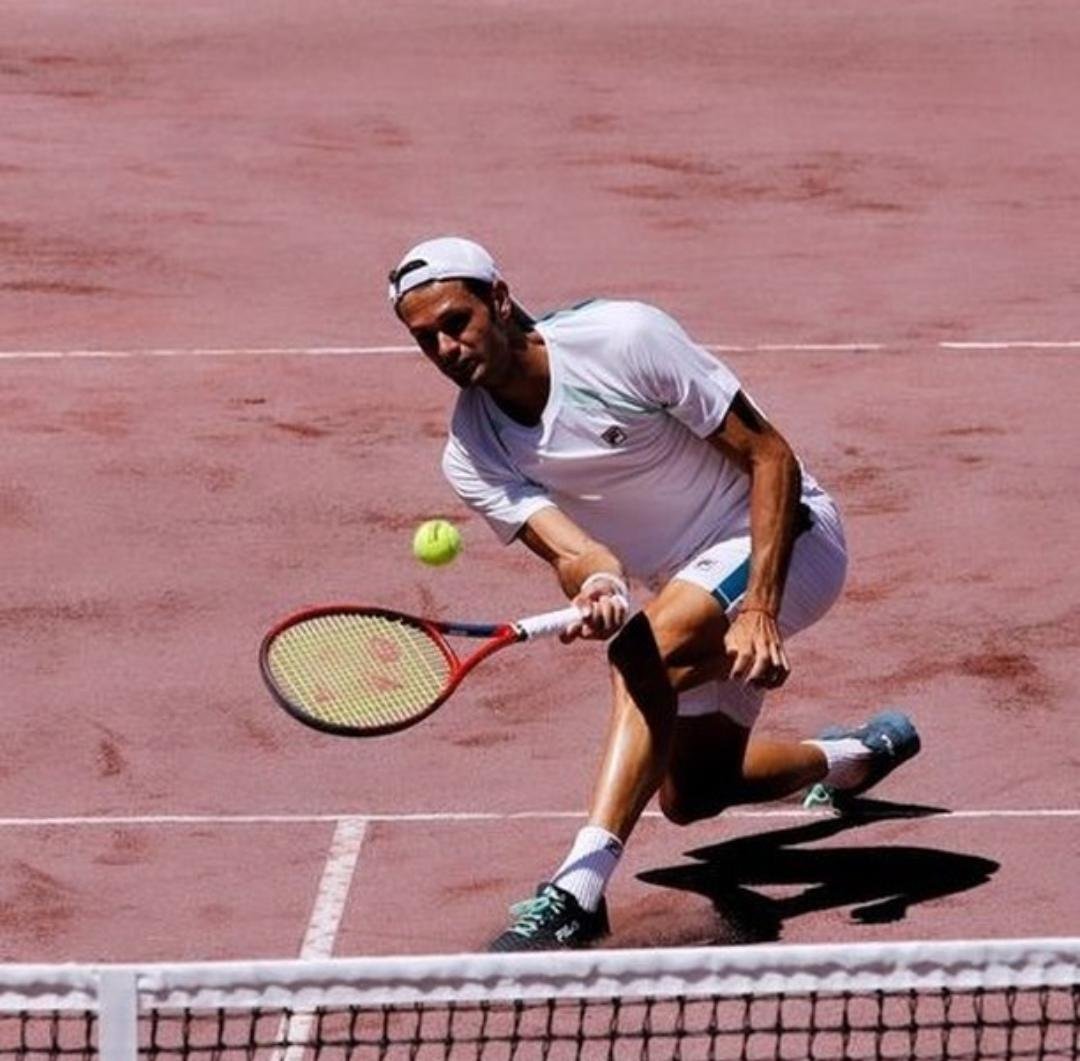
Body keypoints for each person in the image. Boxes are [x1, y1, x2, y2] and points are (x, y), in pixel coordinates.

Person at [387, 236, 921, 951]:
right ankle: (853, 756)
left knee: (641, 654)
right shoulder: (472, 451)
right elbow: (575, 551)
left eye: (457, 321)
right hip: (688, 585)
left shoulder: (623, 339)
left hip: (788, 540)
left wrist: (760, 603)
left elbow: (771, 456)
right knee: (694, 793)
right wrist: (600, 582)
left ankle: (577, 890)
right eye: (426, 339)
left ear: (500, 300)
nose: (447, 347)